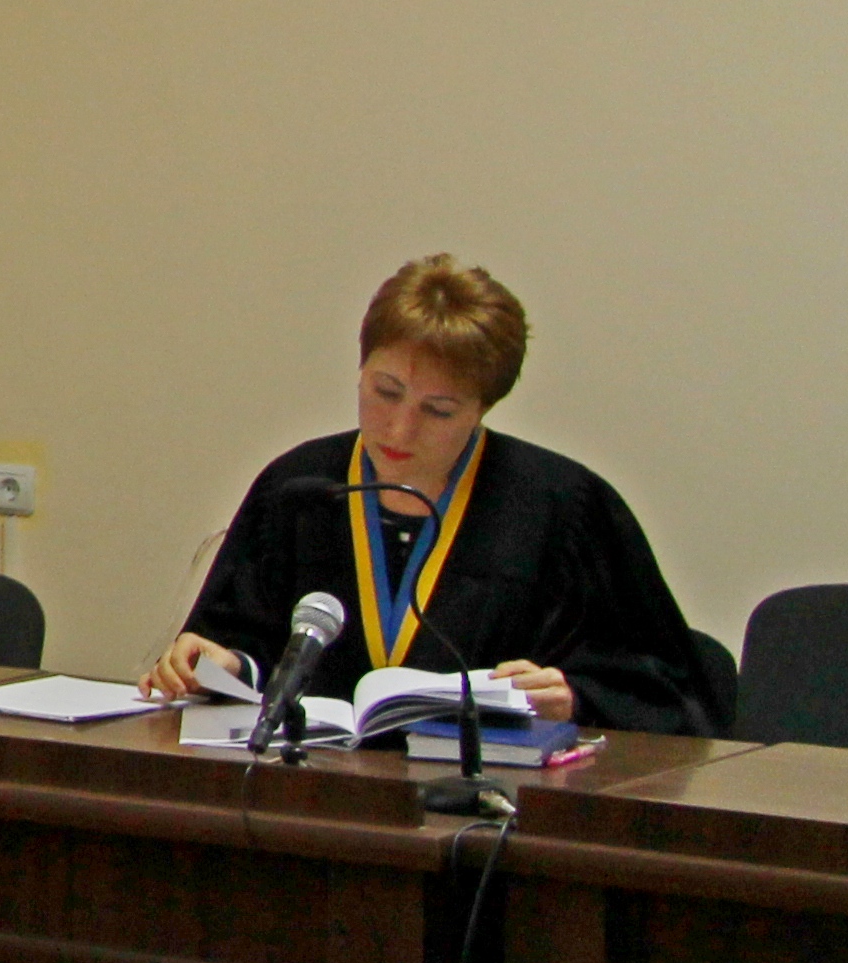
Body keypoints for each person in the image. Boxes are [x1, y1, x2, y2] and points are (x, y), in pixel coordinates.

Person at [146, 255, 714, 733]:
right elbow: (242, 647)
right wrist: (219, 666)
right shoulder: (299, 489)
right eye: (385, 392)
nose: (399, 430)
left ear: (483, 407)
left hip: (493, 801)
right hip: (308, 783)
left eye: (438, 411)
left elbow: (671, 693)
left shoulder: (563, 510)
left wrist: (574, 698)